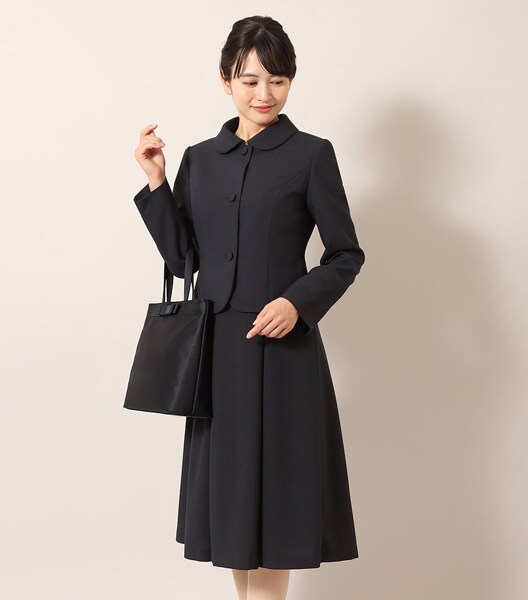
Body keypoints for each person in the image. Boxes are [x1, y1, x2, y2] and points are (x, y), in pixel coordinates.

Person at [132, 15, 364, 600]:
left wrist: (297, 302)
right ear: (225, 80)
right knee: (236, 507)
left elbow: (345, 254)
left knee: (277, 505)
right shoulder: (200, 159)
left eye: (278, 81)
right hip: (219, 358)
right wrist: (157, 182)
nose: (265, 94)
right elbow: (184, 261)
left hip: (284, 353)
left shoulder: (311, 154)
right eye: (251, 80)